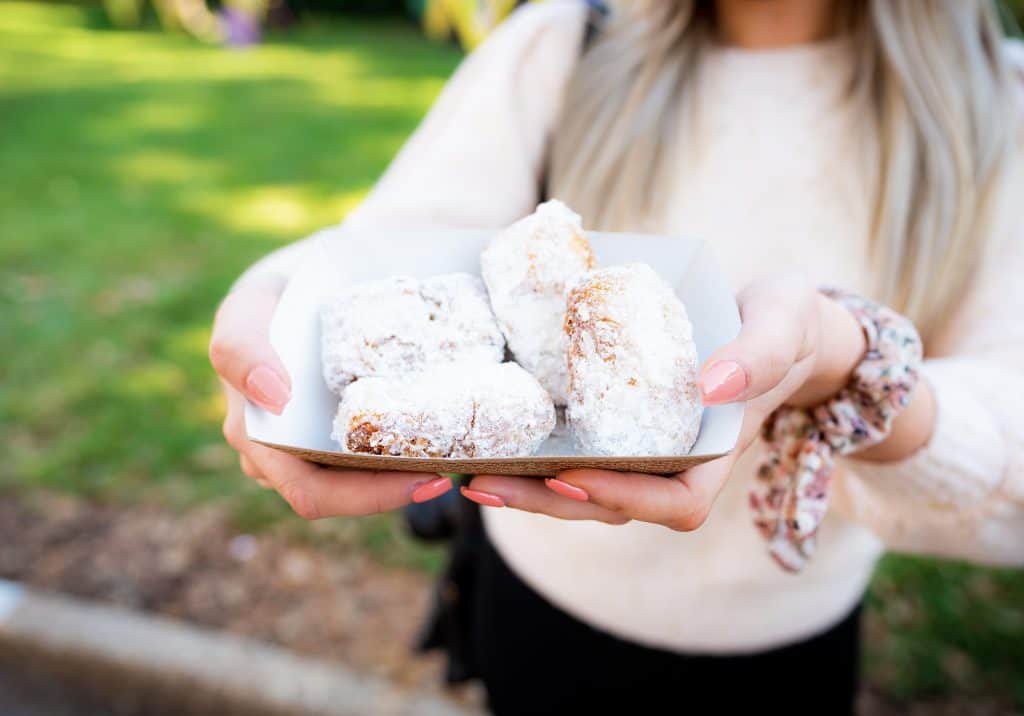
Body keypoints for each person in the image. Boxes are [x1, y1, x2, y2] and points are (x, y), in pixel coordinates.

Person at [209, 1, 1024, 712]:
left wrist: (852, 364)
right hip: (537, 611)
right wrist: (270, 299)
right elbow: (380, 250)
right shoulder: (567, 43)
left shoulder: (1002, 107)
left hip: (786, 646)